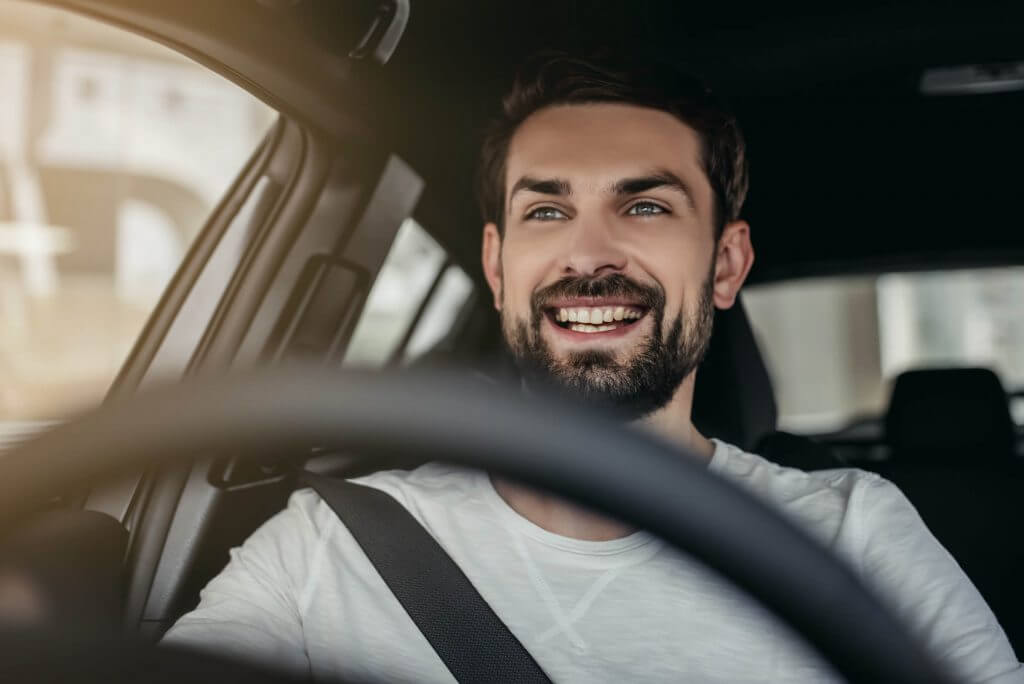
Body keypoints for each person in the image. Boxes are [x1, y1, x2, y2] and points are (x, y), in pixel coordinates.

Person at [163, 52, 1022, 683]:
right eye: (547, 209)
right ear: (499, 268)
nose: (589, 254)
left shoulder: (852, 534)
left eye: (644, 205)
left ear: (725, 266)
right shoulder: (330, 547)